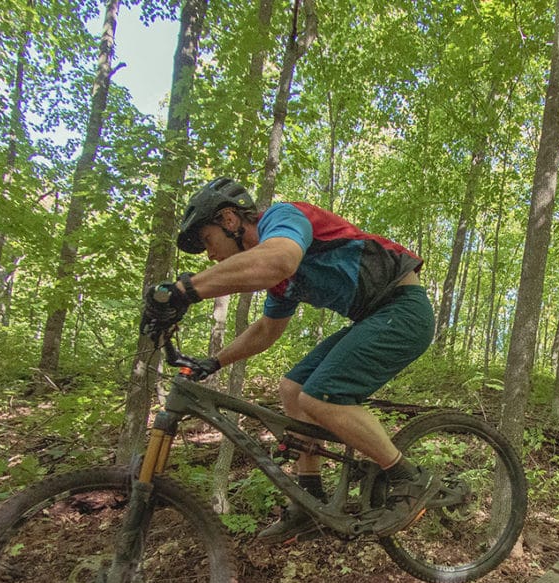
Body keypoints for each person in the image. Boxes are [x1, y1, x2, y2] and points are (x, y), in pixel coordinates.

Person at [140, 177, 437, 540]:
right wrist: (214, 361)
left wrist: (187, 289)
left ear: (230, 220)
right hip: (377, 316)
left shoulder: (282, 219)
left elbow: (279, 259)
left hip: (404, 309)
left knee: (321, 395)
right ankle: (309, 501)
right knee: (292, 389)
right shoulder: (278, 280)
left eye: (207, 240)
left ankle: (409, 477)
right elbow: (267, 329)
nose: (210, 254)